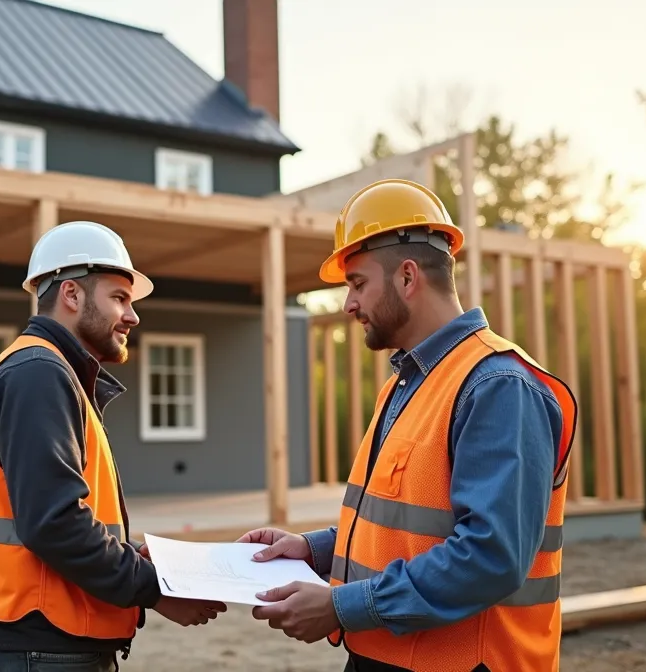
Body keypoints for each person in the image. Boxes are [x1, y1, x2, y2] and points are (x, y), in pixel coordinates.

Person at [239, 179, 578, 671]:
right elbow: (403, 528)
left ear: (407, 277)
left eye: (357, 284)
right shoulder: (409, 383)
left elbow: (489, 556)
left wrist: (340, 607)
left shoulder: (499, 387)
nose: (347, 305)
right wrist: (311, 550)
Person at [0, 220, 226, 672]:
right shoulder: (39, 374)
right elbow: (55, 524)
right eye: (119, 298)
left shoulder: (50, 372)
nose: (133, 316)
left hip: (36, 647)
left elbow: (57, 515)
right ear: (72, 295)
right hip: (35, 650)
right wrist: (156, 589)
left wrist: (132, 554)